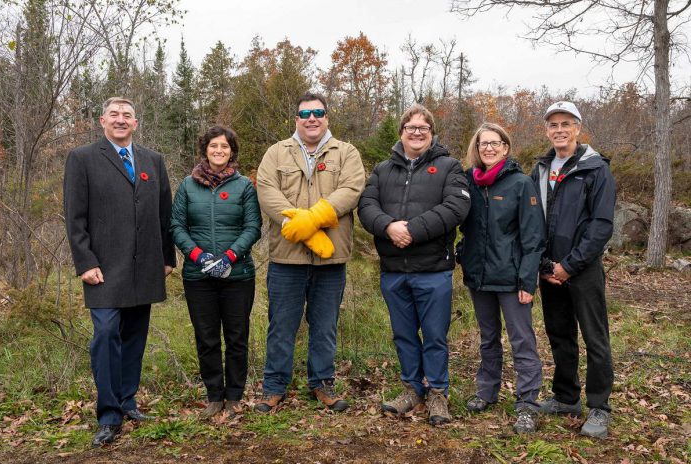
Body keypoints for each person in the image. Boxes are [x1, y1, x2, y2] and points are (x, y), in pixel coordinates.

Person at [63, 97, 175, 447]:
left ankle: (128, 401)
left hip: (145, 266)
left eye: (127, 115)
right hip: (104, 269)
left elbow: (163, 213)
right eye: (115, 115)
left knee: (134, 336)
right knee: (107, 334)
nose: (121, 120)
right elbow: (74, 216)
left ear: (136, 123)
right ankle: (109, 414)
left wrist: (166, 257)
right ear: (102, 121)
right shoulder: (82, 158)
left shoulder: (152, 160)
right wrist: (85, 262)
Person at [357, 104, 470, 425]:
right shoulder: (382, 170)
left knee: (434, 335)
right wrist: (389, 226)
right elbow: (366, 206)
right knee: (404, 335)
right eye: (411, 127)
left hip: (433, 269)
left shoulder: (449, 167)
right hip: (393, 270)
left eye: (423, 128)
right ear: (401, 133)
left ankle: (437, 393)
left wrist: (413, 230)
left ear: (432, 134)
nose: (416, 132)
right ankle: (411, 390)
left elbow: (457, 206)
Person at [255, 92, 365, 412]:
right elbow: (267, 190)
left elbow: (352, 189)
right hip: (286, 257)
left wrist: (314, 218)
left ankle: (322, 384)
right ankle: (274, 387)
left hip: (331, 257)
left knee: (325, 324)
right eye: (305, 114)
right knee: (281, 325)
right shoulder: (277, 153)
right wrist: (299, 222)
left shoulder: (346, 152)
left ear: (327, 117)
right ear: (297, 120)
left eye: (318, 112)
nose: (312, 118)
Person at [532, 101, 616, 438]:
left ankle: (599, 406)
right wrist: (545, 264)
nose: (560, 130)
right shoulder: (539, 169)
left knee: (595, 338)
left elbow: (601, 225)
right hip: (549, 271)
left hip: (582, 269)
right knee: (559, 334)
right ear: (547, 131)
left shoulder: (596, 169)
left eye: (566, 124)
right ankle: (566, 397)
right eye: (553, 125)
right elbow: (531, 221)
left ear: (578, 129)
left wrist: (570, 265)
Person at [458, 123, 545, 433]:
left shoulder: (520, 184)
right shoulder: (469, 181)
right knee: (488, 337)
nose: (489, 149)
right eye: (483, 144)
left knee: (522, 340)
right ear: (476, 149)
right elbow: (465, 226)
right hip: (479, 276)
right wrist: (462, 252)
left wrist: (527, 281)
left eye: (495, 143)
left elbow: (533, 237)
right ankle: (487, 390)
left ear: (506, 148)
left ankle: (527, 403)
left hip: (511, 278)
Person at [170, 126, 261, 419]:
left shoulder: (244, 185)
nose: (219, 151)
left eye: (224, 146)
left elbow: (253, 227)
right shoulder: (187, 186)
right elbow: (177, 226)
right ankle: (214, 397)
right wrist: (198, 256)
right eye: (213, 146)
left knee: (236, 337)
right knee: (206, 337)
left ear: (231, 151)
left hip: (237, 276)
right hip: (199, 277)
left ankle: (234, 396)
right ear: (205, 150)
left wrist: (230, 257)